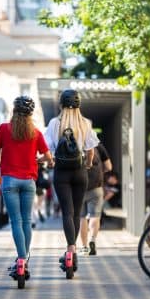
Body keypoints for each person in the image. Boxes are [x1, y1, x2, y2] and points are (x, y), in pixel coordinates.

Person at [0, 96, 54, 281]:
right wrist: (40, 160)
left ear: (14, 111)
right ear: (30, 115)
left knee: (16, 221)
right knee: (27, 220)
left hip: (10, 181)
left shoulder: (4, 128)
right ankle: (24, 261)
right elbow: (48, 157)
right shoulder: (35, 133)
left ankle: (20, 260)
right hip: (29, 182)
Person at [44, 89, 99, 275]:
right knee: (76, 213)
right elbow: (91, 150)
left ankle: (70, 251)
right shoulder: (85, 123)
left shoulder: (54, 123)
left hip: (61, 173)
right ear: (79, 105)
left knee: (67, 212)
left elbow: (48, 149)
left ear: (60, 105)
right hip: (80, 172)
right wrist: (89, 164)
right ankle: (72, 252)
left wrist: (50, 162)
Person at [80, 142, 112, 256]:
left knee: (82, 218)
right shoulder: (97, 144)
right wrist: (100, 172)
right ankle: (92, 240)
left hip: (79, 188)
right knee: (95, 216)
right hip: (96, 187)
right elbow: (109, 166)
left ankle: (84, 247)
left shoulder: (73, 143)